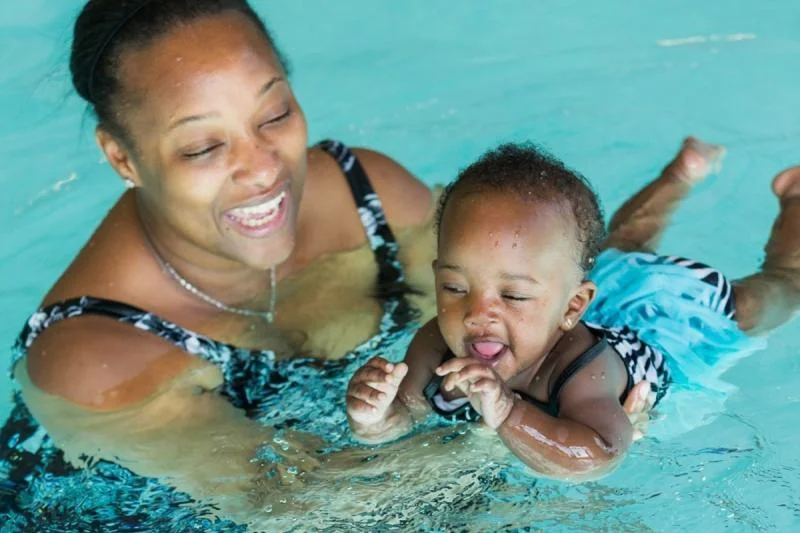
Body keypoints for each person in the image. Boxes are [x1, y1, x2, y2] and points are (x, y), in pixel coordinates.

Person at [346, 138, 800, 480]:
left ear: (572, 306)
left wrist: (506, 411)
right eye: (454, 286)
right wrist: (374, 416)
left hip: (677, 325)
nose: (476, 312)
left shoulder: (584, 371)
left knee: (770, 295)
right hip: (604, 296)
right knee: (620, 248)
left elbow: (599, 453)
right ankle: (680, 175)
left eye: (513, 296)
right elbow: (405, 418)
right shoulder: (436, 343)